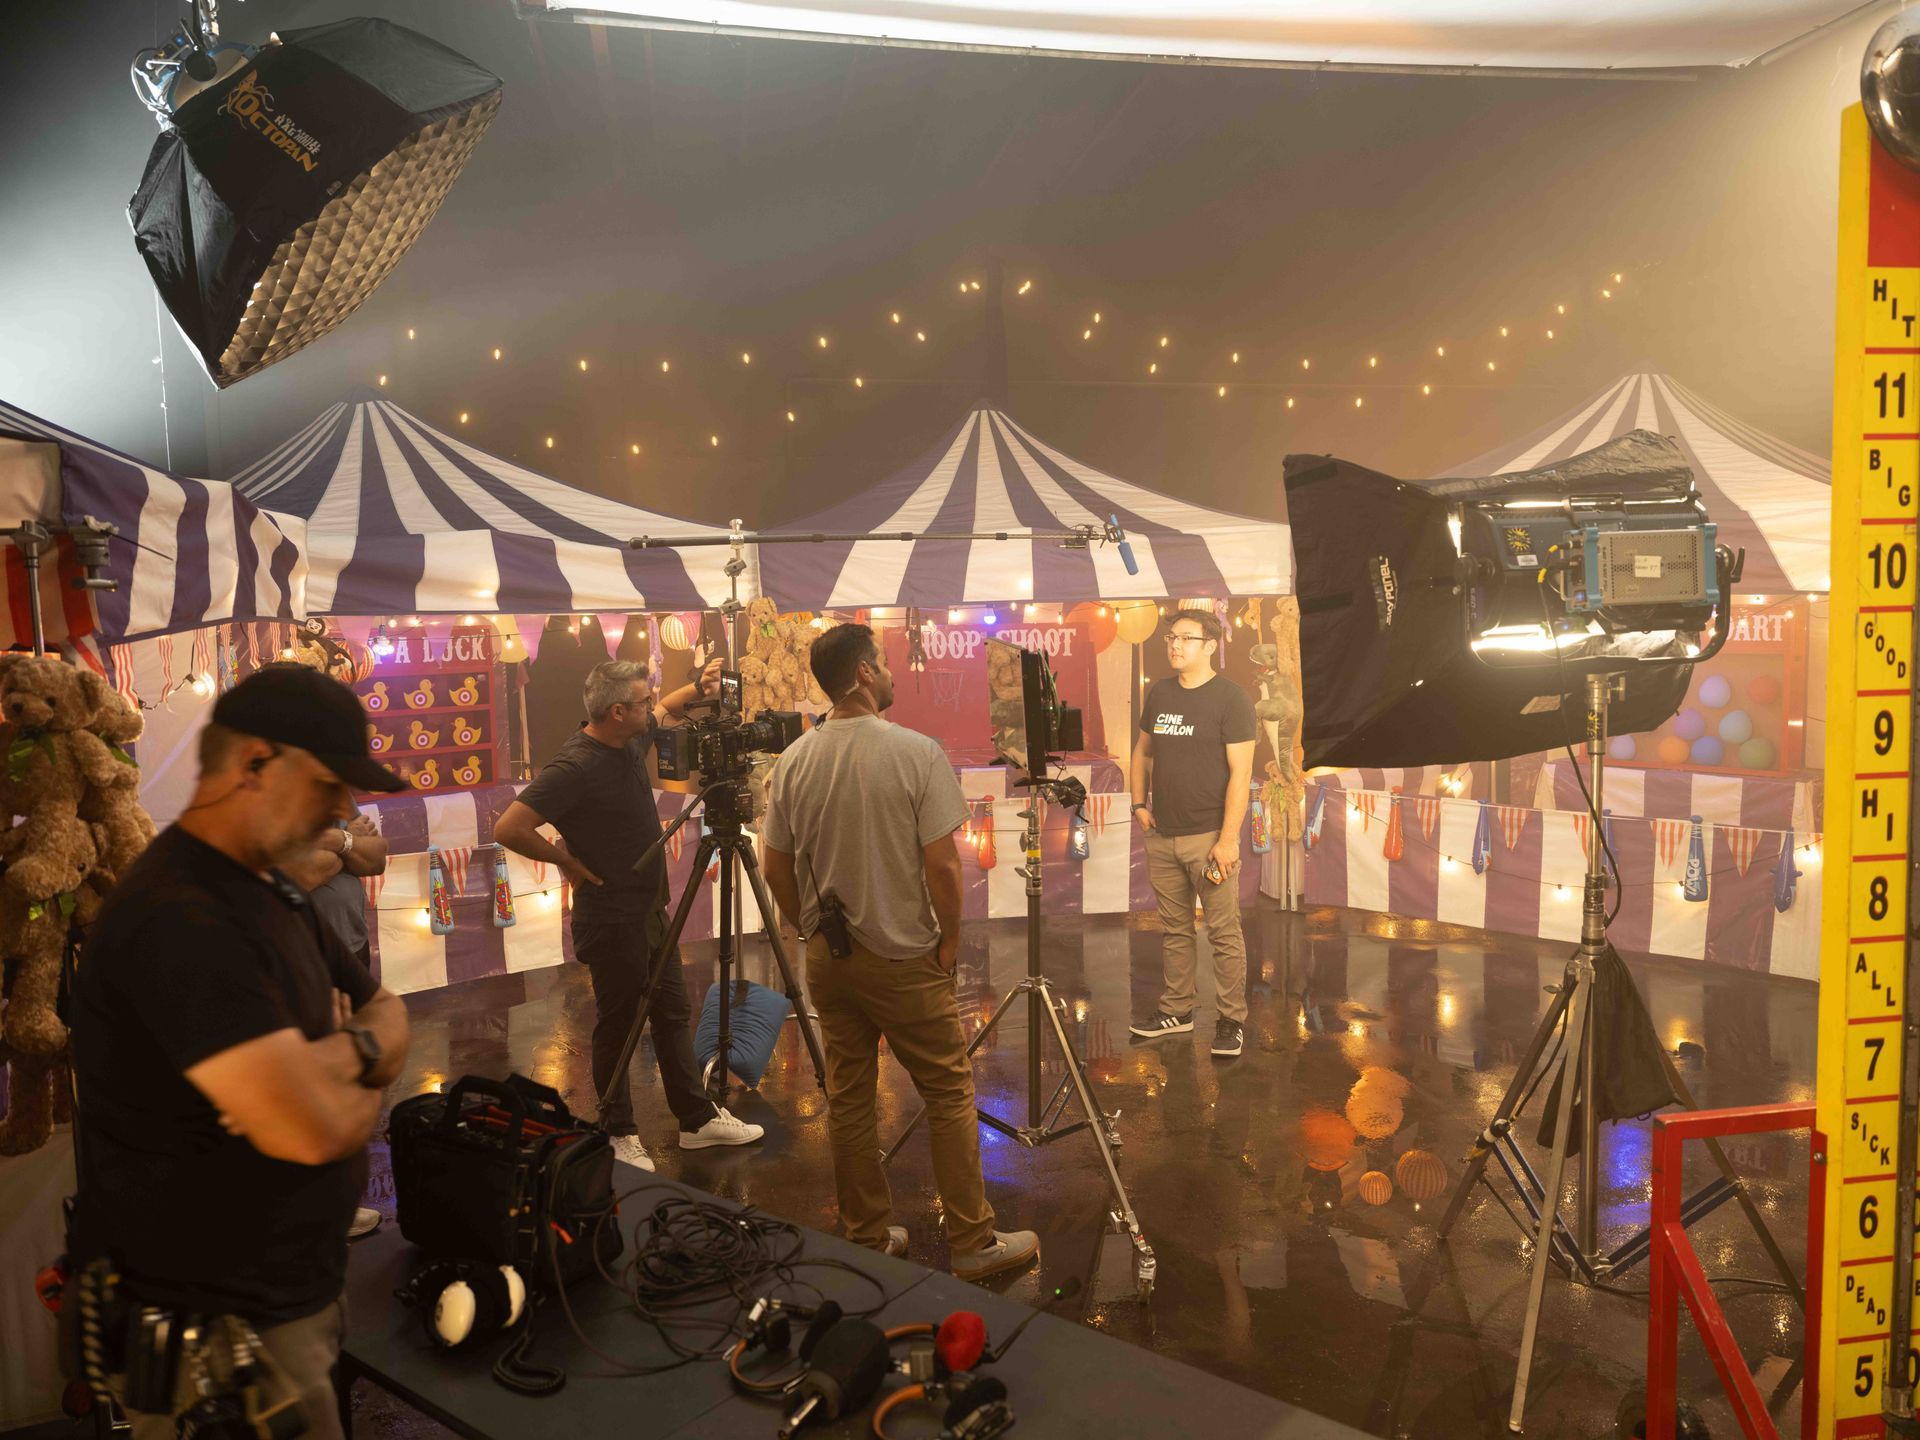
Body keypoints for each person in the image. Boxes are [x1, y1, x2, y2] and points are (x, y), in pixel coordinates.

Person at [69, 664, 413, 1440]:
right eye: (327, 784)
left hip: (288, 1299)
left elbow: (388, 1011)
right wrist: (351, 1072)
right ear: (255, 762)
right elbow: (313, 1129)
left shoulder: (271, 892)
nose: (344, 808)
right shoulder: (180, 919)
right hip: (222, 1341)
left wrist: (335, 1056)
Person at [761, 623, 1038, 1281]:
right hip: (904, 957)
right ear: (863, 674)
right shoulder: (917, 752)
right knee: (947, 1089)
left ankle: (867, 1233)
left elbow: (774, 866)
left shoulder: (794, 760)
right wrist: (950, 940)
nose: (891, 674)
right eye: (883, 663)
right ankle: (972, 1242)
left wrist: (808, 928)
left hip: (830, 959)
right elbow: (942, 866)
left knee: (850, 1096)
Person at [494, 659, 763, 1172]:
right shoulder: (574, 766)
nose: (652, 707)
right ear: (618, 711)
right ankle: (617, 1132)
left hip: (650, 911)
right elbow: (509, 827)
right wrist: (568, 863)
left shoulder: (629, 740)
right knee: (620, 1024)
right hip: (611, 917)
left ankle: (696, 1121)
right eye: (642, 701)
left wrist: (699, 686)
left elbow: (666, 708)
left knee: (671, 1014)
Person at [1129, 609, 1257, 1057]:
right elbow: (1142, 752)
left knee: (1224, 933)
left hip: (1209, 838)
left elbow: (1241, 774)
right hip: (1163, 834)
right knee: (1175, 930)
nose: (1175, 645)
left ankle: (1230, 1020)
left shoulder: (1231, 699)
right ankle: (1177, 1011)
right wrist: (1139, 805)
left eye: (1186, 638)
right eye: (1171, 637)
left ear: (1210, 646)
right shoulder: (1160, 693)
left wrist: (1228, 839)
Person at [281, 803, 390, 1239]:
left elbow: (376, 857)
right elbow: (296, 875)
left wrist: (334, 843)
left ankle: (332, 1199)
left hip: (350, 953)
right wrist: (345, 842)